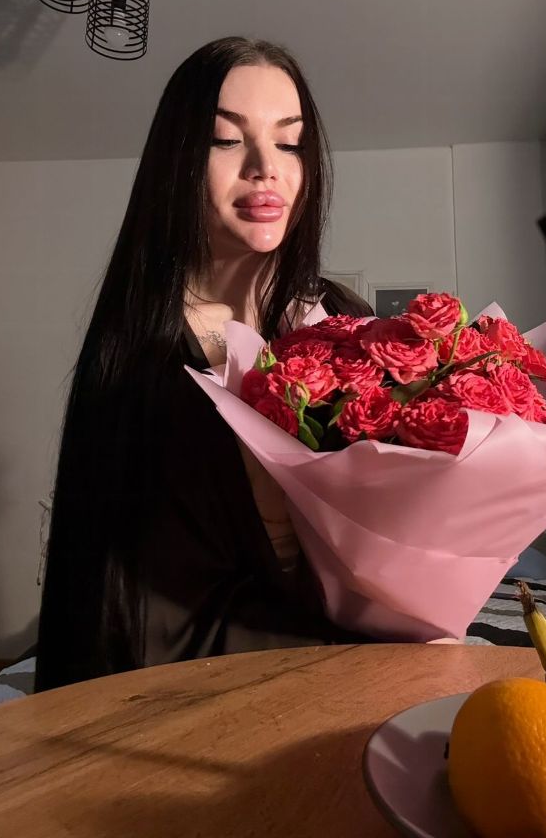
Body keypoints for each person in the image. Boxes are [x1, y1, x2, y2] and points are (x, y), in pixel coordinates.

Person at [35, 37, 373, 691]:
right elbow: (138, 616)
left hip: (355, 654)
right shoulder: (141, 354)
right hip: (211, 684)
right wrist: (346, 652)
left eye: (290, 142)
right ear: (179, 160)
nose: (265, 168)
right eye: (226, 140)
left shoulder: (340, 316)